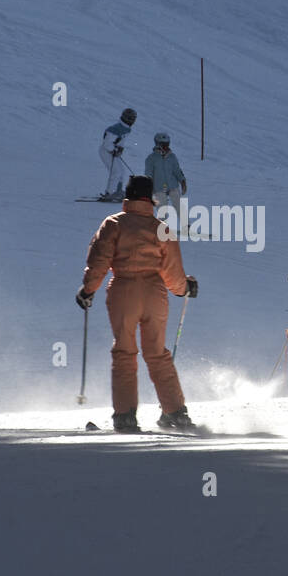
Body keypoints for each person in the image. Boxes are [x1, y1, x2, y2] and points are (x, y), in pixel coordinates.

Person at [77, 174, 198, 431]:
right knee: (157, 353)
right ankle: (176, 412)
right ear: (150, 199)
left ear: (127, 197)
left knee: (124, 351)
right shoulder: (161, 228)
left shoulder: (113, 224)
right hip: (155, 294)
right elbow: (173, 271)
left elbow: (99, 261)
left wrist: (88, 290)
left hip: (123, 292)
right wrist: (184, 288)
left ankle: (125, 416)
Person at [98, 107, 137, 201]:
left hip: (113, 152)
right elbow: (107, 143)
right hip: (106, 152)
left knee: (121, 171)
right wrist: (113, 150)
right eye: (130, 118)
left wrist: (120, 149)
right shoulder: (115, 129)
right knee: (116, 171)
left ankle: (118, 191)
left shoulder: (126, 129)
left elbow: (121, 141)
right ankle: (110, 193)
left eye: (133, 118)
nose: (131, 120)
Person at [144, 132, 187, 208]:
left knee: (180, 207)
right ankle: (162, 220)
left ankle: (185, 220)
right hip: (159, 188)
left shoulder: (172, 157)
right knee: (162, 211)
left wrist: (183, 182)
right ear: (157, 144)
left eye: (167, 144)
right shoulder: (151, 158)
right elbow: (148, 174)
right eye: (163, 145)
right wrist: (148, 188)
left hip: (172, 186)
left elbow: (177, 171)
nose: (166, 147)